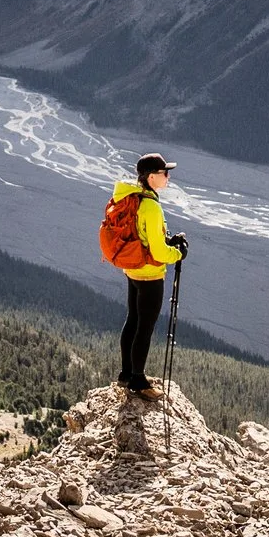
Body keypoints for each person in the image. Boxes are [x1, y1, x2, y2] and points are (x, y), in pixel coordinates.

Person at [100, 152, 187, 398]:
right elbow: (159, 252)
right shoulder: (150, 205)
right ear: (151, 177)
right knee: (145, 327)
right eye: (164, 173)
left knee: (133, 320)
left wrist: (167, 241)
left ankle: (127, 373)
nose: (168, 177)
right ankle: (139, 381)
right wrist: (177, 254)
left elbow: (145, 237)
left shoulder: (133, 198)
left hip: (133, 269)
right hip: (150, 275)